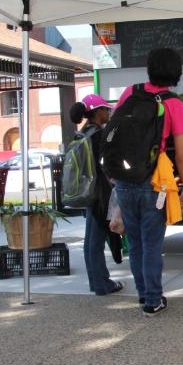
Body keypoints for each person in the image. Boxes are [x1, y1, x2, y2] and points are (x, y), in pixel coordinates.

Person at [113, 48, 183, 316]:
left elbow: (113, 133)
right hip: (154, 182)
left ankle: (143, 293)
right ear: (176, 72)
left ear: (149, 68)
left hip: (124, 180)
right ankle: (153, 299)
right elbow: (180, 155)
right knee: (152, 244)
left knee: (134, 242)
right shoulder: (174, 104)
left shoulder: (129, 92)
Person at [69, 94, 124, 296]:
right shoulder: (98, 135)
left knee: (91, 239)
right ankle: (102, 284)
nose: (108, 112)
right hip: (100, 192)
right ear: (97, 111)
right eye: (106, 109)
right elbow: (108, 164)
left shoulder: (82, 134)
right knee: (96, 240)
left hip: (88, 191)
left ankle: (96, 281)